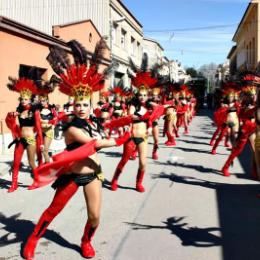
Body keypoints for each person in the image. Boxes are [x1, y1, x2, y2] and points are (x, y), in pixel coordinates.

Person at [23, 39, 129, 259]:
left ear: (91, 106)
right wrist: (122, 139)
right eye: (77, 104)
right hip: (72, 176)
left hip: (93, 175)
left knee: (95, 217)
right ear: (73, 105)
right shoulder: (72, 127)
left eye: (85, 105)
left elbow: (106, 130)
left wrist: (124, 123)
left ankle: (86, 241)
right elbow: (94, 144)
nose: (81, 108)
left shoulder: (94, 122)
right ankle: (33, 239)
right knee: (53, 211)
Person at [110, 53, 158, 192]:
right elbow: (130, 118)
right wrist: (141, 116)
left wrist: (151, 121)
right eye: (140, 95)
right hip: (131, 137)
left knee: (143, 163)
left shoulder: (149, 105)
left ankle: (138, 183)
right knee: (124, 161)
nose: (142, 97)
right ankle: (115, 180)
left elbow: (158, 110)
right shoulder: (134, 105)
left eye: (145, 95)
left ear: (147, 95)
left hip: (143, 138)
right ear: (137, 94)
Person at [5, 68, 44, 192]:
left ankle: (37, 180)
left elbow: (38, 127)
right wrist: (11, 116)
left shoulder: (35, 111)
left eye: (25, 99)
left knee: (32, 162)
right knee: (16, 162)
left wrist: (41, 143)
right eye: (22, 99)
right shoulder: (19, 110)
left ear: (30, 99)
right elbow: (12, 123)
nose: (23, 101)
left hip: (31, 140)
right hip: (20, 139)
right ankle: (14, 184)